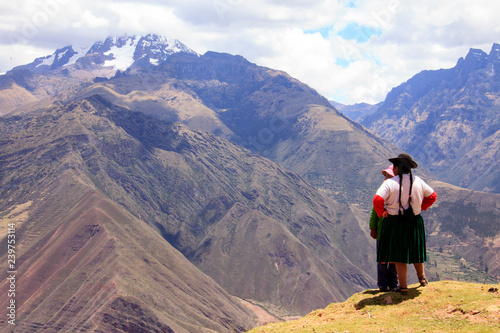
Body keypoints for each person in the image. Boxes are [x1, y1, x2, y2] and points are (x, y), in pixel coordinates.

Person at [373, 153, 437, 295]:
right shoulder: (418, 181)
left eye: (394, 166)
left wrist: (381, 212)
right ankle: (422, 279)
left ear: (396, 168)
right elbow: (432, 196)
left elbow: (377, 199)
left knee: (398, 255)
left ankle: (403, 287)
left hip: (395, 222)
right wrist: (421, 207)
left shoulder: (390, 183)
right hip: (414, 220)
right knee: (415, 250)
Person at [370, 165, 398, 292]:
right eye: (385, 175)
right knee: (382, 259)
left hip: (393, 232)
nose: (386, 178)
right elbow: (374, 211)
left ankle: (393, 283)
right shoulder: (381, 192)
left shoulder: (397, 192)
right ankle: (382, 284)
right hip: (382, 232)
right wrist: (373, 227)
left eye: (389, 176)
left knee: (393, 259)